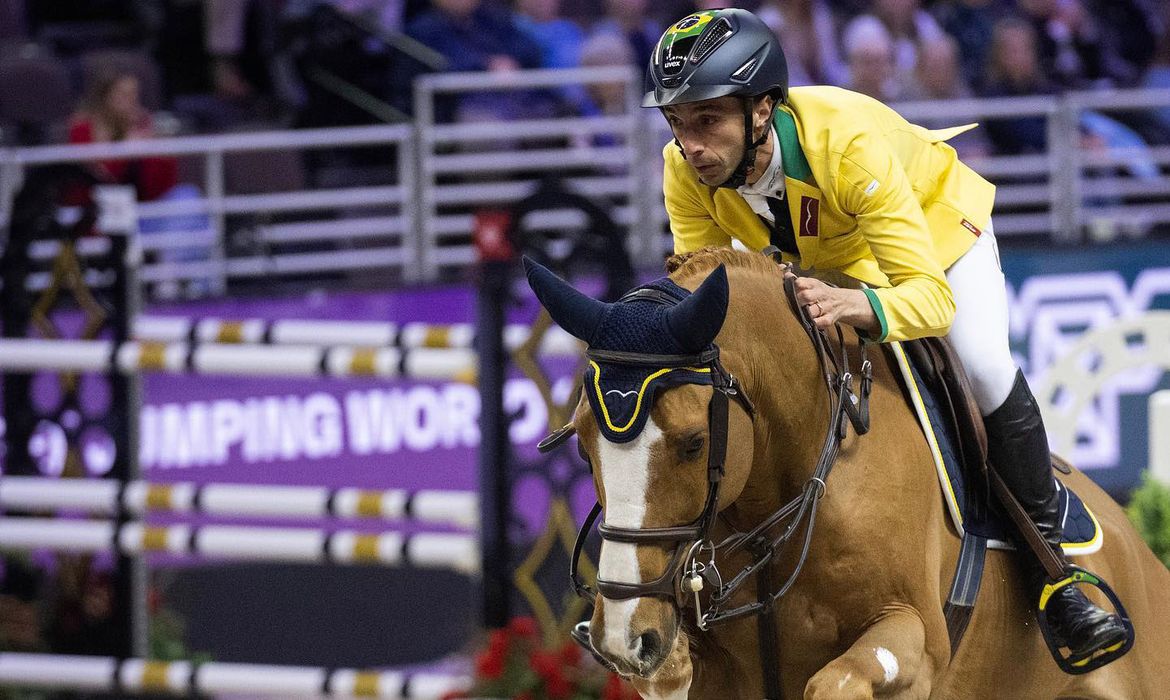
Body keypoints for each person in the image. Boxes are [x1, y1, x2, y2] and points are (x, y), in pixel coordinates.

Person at [643, 7, 1128, 663]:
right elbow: (702, 290)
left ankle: (1059, 580)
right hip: (819, 265)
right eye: (678, 123)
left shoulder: (845, 145)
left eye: (707, 121)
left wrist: (860, 304)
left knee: (983, 364)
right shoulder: (683, 168)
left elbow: (927, 299)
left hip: (935, 243)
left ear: (761, 110)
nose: (690, 143)